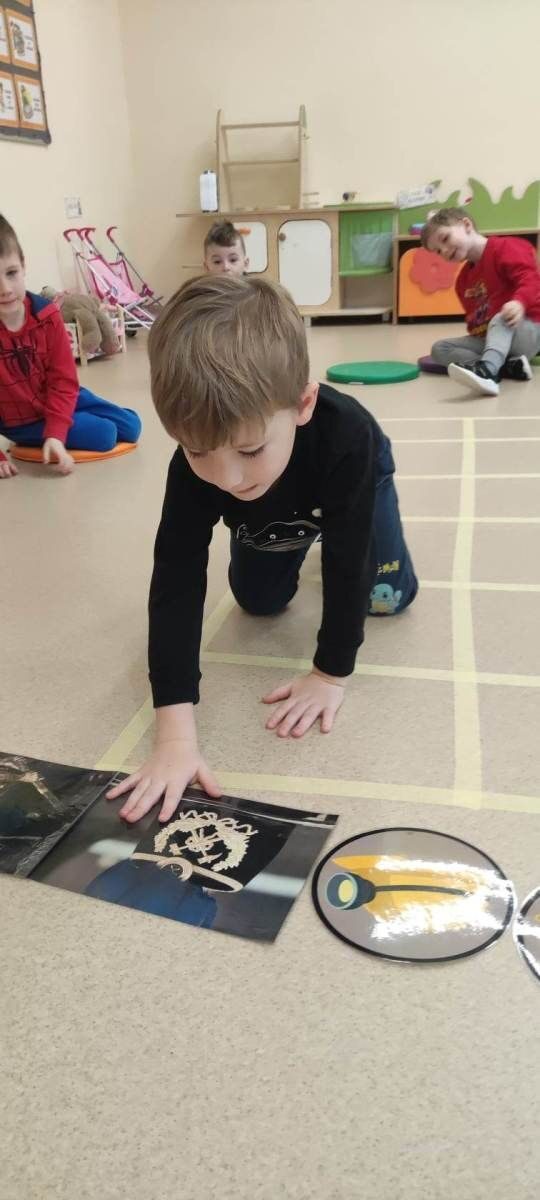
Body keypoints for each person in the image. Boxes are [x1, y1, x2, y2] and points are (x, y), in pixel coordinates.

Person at [107, 274, 418, 825]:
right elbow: (176, 578)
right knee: (259, 601)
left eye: (249, 450)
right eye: (198, 451)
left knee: (386, 597)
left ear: (302, 404)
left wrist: (329, 674)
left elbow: (349, 559)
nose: (226, 478)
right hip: (280, 509)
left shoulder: (347, 436)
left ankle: (321, 525)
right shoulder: (199, 470)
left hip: (357, 481)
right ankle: (293, 524)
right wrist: (174, 736)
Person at [0, 214, 142, 480]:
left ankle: (69, 419)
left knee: (132, 426)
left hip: (61, 396)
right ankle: (61, 426)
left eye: (11, 273)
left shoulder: (46, 314)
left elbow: (63, 378)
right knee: (105, 434)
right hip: (22, 420)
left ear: (23, 266)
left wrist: (57, 429)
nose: (5, 288)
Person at [421, 207, 540, 396]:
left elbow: (532, 280)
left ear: (466, 225)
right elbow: (474, 320)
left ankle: (488, 372)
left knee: (501, 317)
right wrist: (478, 330)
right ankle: (507, 366)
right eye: (438, 251)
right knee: (440, 348)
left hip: (526, 329)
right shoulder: (462, 281)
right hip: (495, 339)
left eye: (445, 239)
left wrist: (519, 303)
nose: (444, 251)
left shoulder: (506, 247)